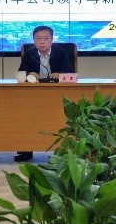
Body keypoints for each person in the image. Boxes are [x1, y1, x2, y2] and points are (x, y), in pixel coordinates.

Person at [15, 25, 74, 162]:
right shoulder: (29, 54)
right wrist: (29, 74)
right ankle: (25, 150)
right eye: (38, 38)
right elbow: (21, 74)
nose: (42, 42)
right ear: (34, 40)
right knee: (26, 116)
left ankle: (66, 150)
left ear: (52, 40)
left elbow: (69, 73)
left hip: (57, 94)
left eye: (46, 38)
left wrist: (60, 74)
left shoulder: (61, 53)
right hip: (33, 95)